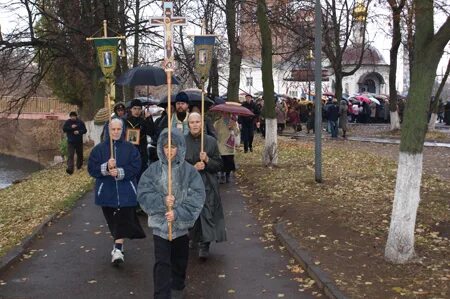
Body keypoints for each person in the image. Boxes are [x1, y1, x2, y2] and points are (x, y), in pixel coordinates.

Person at [137, 129, 205, 299]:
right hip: (160, 227)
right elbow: (143, 194)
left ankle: (177, 288)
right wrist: (162, 202)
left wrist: (178, 212)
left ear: (180, 148)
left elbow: (197, 197)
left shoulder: (189, 172)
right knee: (162, 264)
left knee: (179, 263)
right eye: (166, 147)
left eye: (173, 147)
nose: (169, 151)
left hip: (181, 228)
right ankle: (161, 295)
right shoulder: (152, 171)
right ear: (161, 148)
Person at [87, 118, 146, 265]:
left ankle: (118, 249)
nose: (116, 132)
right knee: (112, 221)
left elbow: (136, 166)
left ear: (123, 130)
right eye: (113, 129)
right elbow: (92, 169)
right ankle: (118, 246)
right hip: (106, 193)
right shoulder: (99, 149)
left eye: (118, 129)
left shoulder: (130, 148)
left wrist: (120, 172)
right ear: (108, 130)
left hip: (126, 193)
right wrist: (106, 167)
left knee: (121, 220)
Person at [185, 112, 226, 258]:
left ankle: (205, 244)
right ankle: (193, 237)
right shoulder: (182, 142)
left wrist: (207, 160)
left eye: (197, 122)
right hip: (189, 186)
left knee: (206, 213)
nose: (195, 125)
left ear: (202, 123)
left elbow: (219, 165)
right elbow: (177, 165)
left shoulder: (210, 141)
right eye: (192, 122)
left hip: (207, 184)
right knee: (192, 214)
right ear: (188, 124)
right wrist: (193, 167)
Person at [126, 99, 155, 181]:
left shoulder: (144, 121)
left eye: (139, 109)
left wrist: (149, 118)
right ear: (131, 109)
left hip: (142, 152)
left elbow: (151, 132)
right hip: (129, 152)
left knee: (141, 177)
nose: (137, 111)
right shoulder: (126, 122)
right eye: (135, 108)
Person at [214, 112, 239, 183]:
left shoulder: (233, 122)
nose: (226, 115)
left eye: (227, 114)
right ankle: (222, 175)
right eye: (224, 113)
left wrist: (233, 127)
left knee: (229, 161)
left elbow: (237, 133)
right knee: (222, 160)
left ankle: (227, 175)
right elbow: (214, 132)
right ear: (221, 114)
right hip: (221, 144)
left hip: (229, 145)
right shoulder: (217, 123)